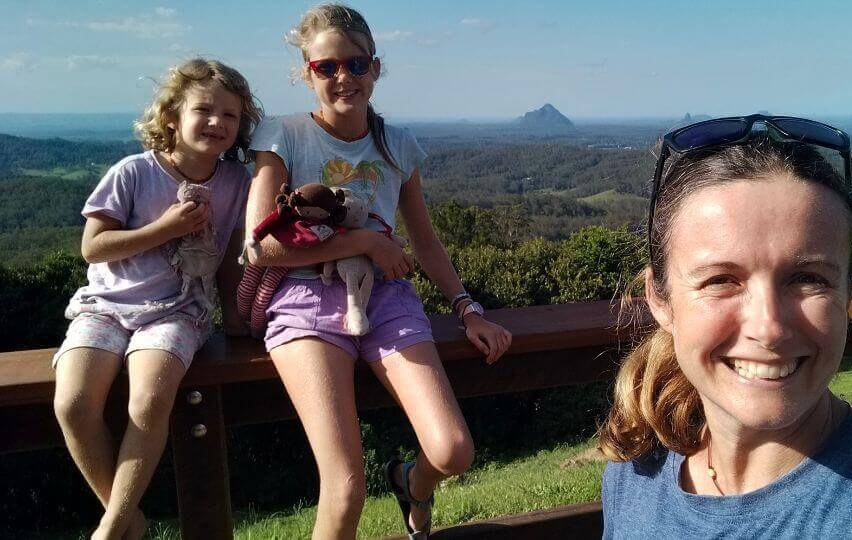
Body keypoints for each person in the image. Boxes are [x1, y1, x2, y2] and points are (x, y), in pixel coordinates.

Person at [599, 115, 852, 538]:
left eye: (808, 279)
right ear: (660, 299)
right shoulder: (634, 475)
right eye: (721, 280)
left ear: (847, 294)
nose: (768, 328)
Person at [245, 4, 512, 539]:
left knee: (453, 450)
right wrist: (364, 239)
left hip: (387, 298)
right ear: (307, 72)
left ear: (376, 67)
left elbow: (426, 241)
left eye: (356, 64)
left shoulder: (397, 145)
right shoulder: (284, 135)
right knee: (344, 488)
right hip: (305, 303)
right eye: (327, 67)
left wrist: (467, 309)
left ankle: (412, 483)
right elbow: (260, 247)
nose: (343, 77)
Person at [52, 58, 261, 539]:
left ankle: (109, 531)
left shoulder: (236, 184)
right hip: (106, 304)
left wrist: (234, 319)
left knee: (149, 400)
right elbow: (93, 246)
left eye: (230, 115)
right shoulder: (133, 172)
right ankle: (127, 518)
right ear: (171, 117)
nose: (217, 122)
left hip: (180, 310)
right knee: (73, 404)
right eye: (204, 109)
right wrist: (164, 229)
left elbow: (231, 255)